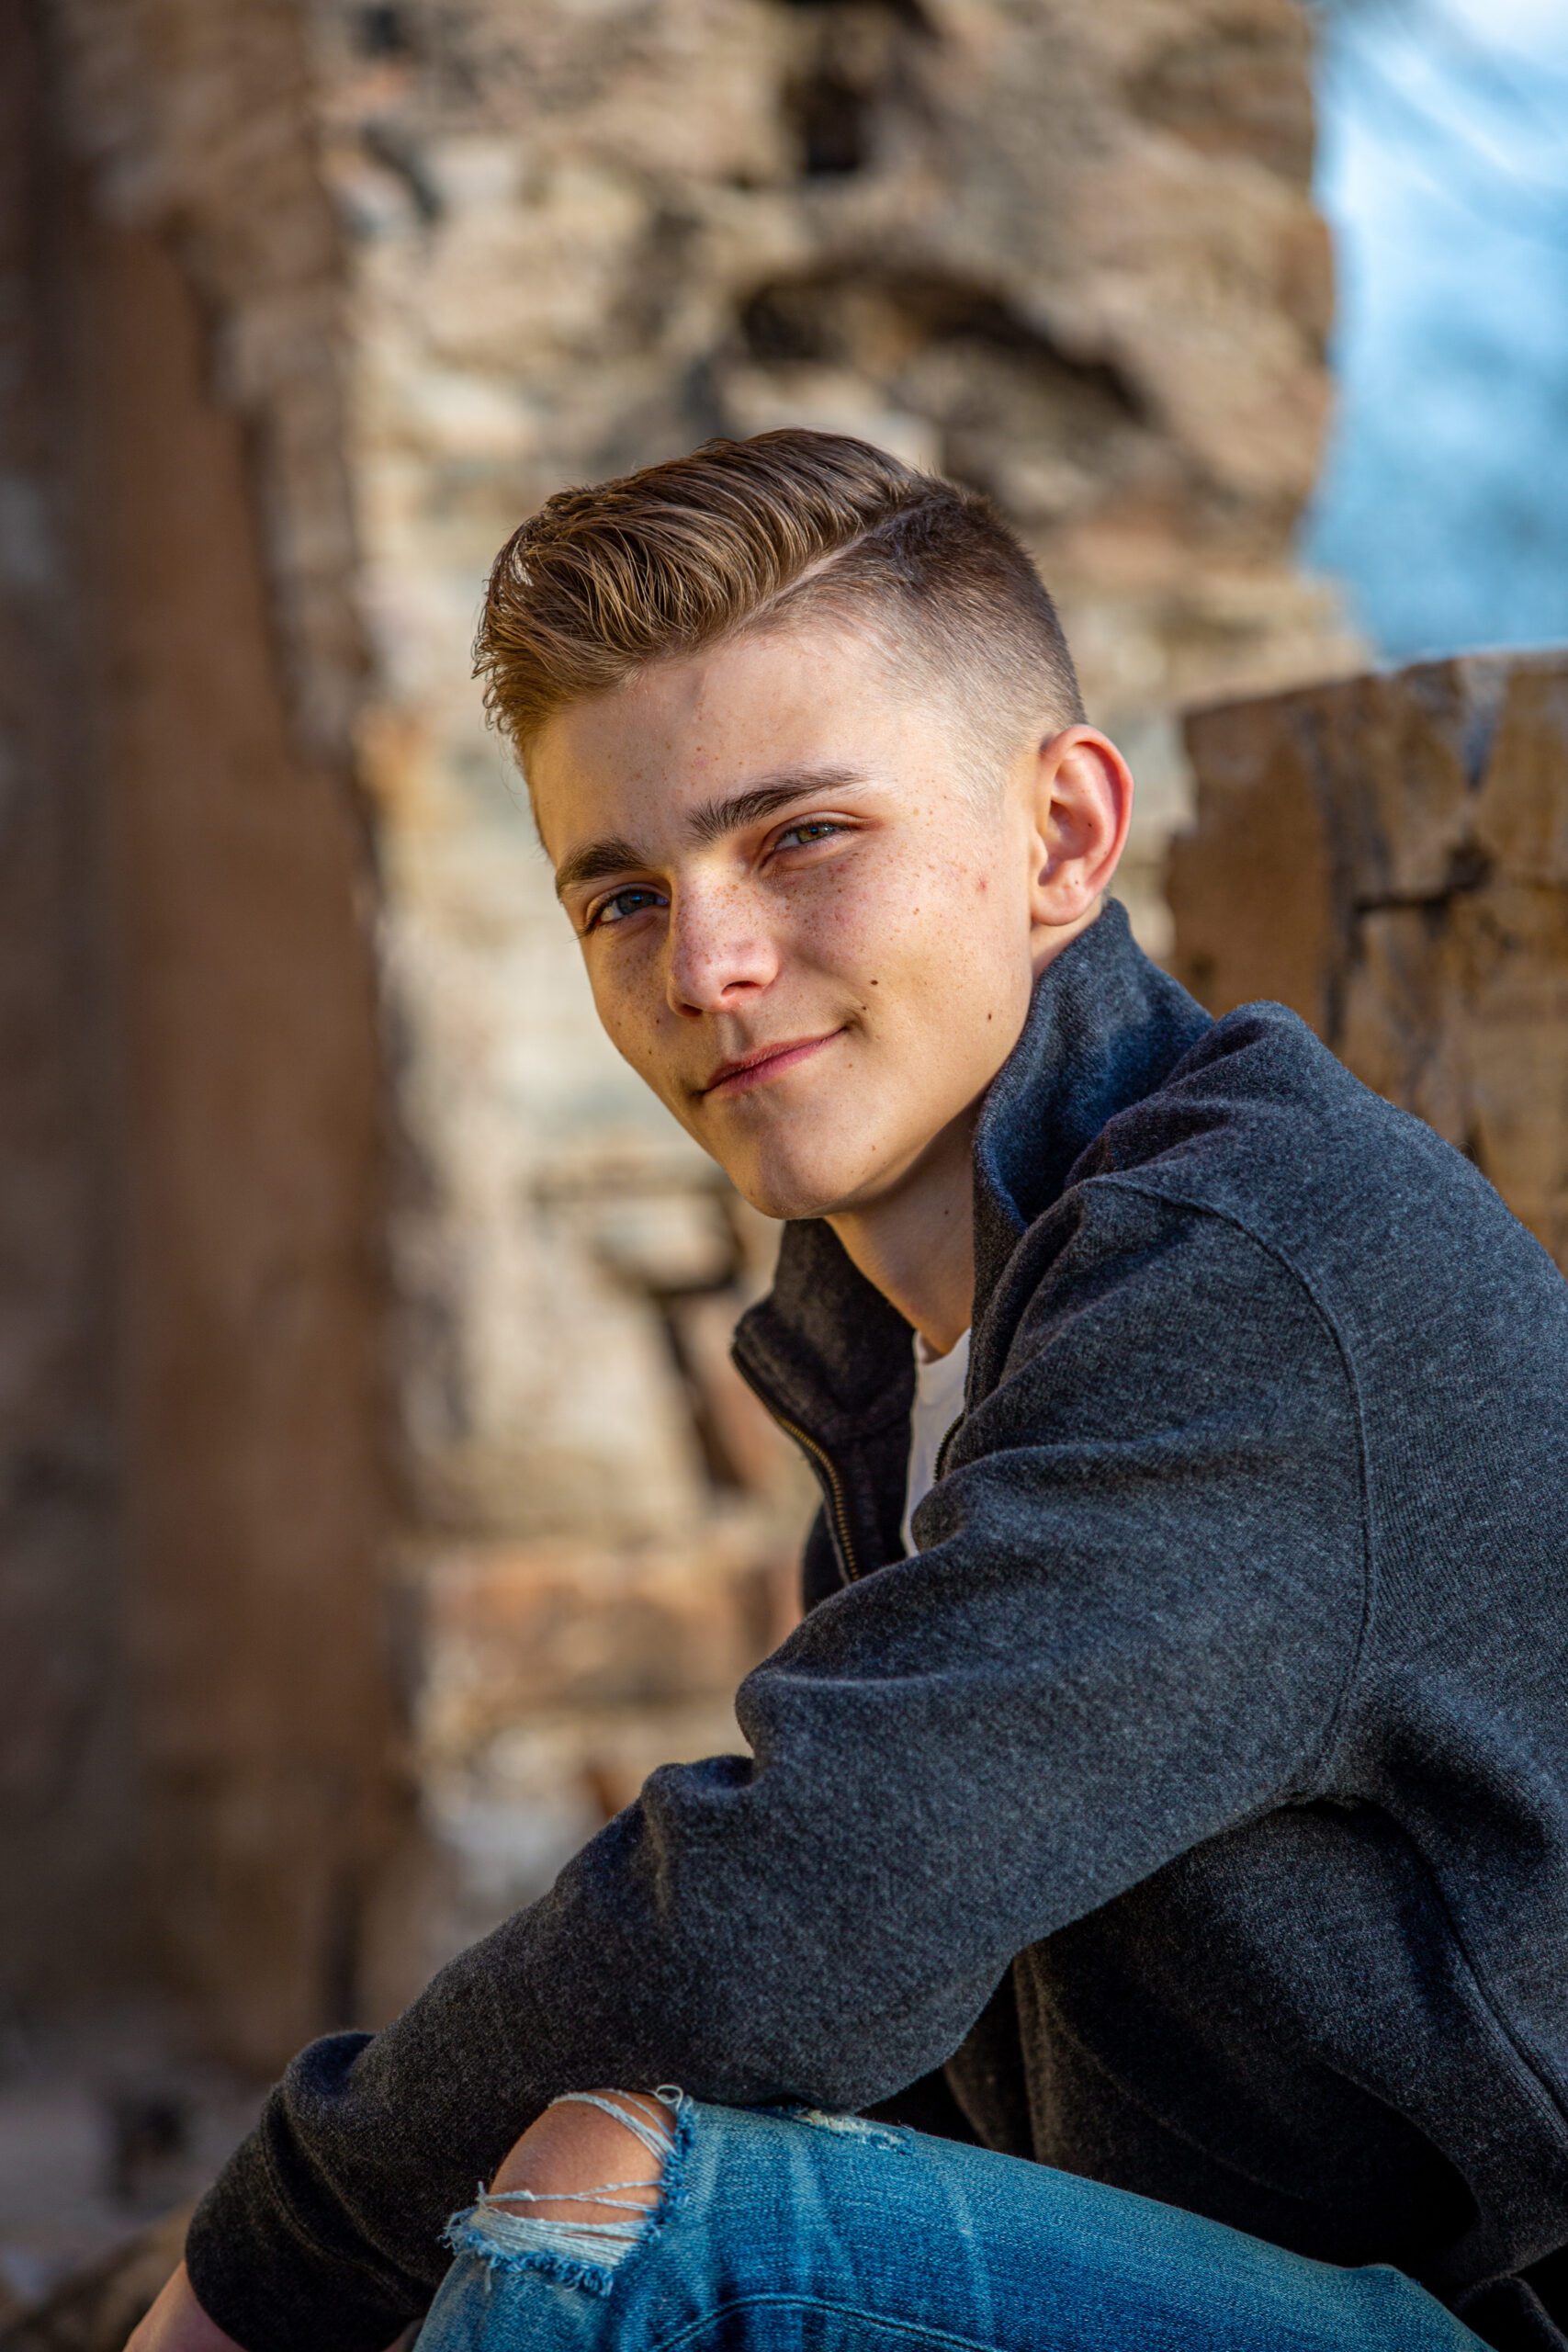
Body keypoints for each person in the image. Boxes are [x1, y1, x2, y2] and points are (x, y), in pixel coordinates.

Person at [129, 432, 1568, 2352]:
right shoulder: (904, 1334)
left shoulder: (1248, 1272)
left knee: (617, 2215)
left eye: (801, 836)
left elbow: (771, 1933)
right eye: (620, 897)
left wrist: (262, 2260)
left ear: (1061, 836)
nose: (707, 964)